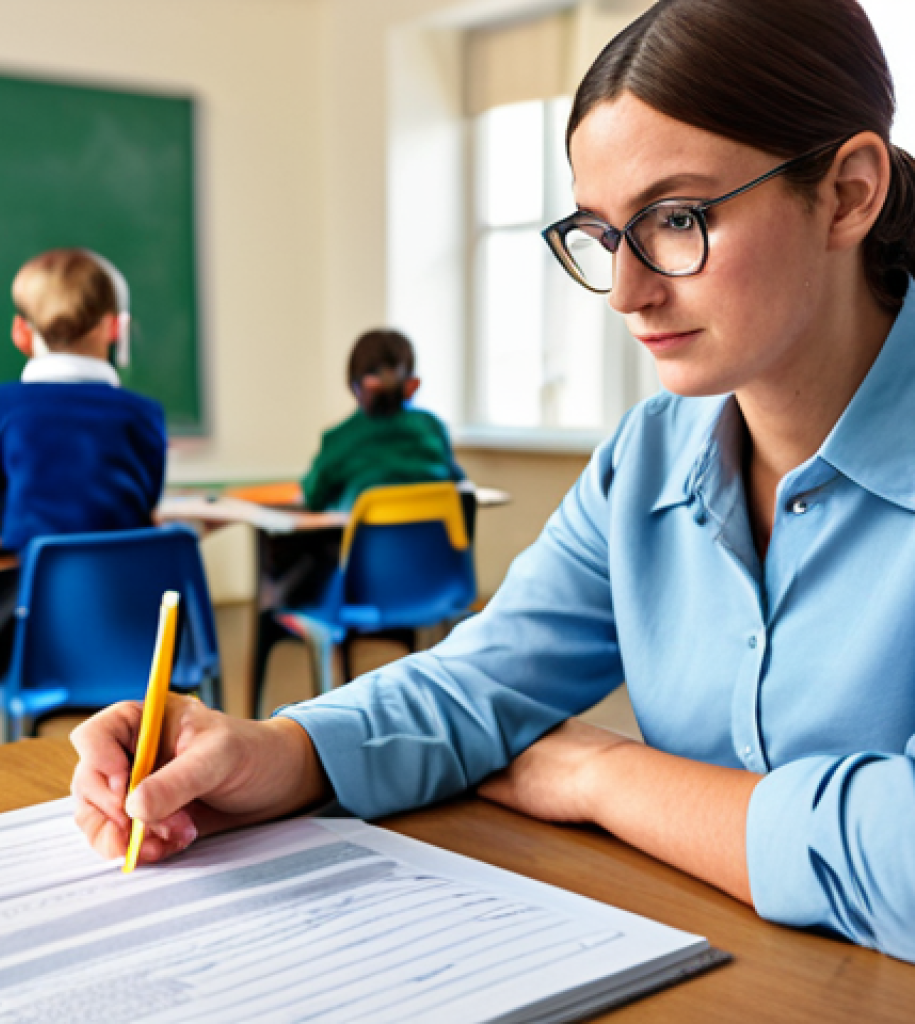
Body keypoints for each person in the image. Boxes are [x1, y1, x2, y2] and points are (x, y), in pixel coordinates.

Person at [71, 0, 915, 963]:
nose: (630, 293)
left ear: (849, 194)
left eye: (677, 219)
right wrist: (278, 754)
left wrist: (603, 776)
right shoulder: (648, 455)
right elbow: (483, 685)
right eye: (603, 235)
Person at [0, 248, 166, 678]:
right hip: (138, 630)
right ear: (114, 327)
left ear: (22, 332)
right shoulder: (143, 413)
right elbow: (147, 495)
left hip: (39, 631)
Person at [300, 328, 464, 511]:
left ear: (354, 384)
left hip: (365, 540)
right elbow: (458, 482)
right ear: (411, 384)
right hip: (437, 540)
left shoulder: (340, 439)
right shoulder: (432, 427)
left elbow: (313, 496)